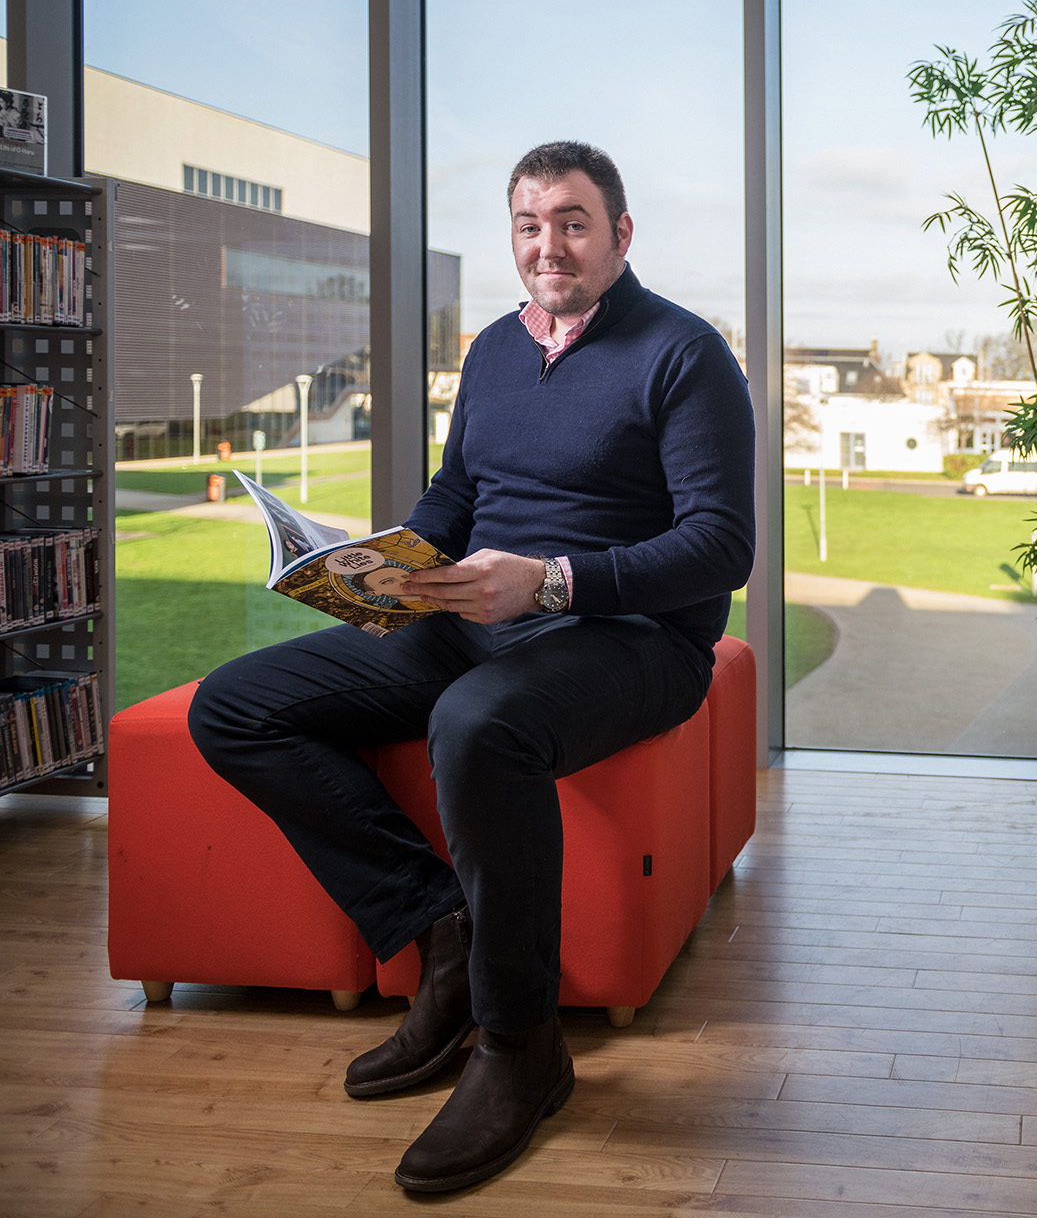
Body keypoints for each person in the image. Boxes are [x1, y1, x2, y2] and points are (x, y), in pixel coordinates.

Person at [187, 140, 756, 1193]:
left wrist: (546, 581)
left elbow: (722, 548)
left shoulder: (684, 353)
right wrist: (384, 569)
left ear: (621, 235)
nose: (550, 245)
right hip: (470, 613)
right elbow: (457, 497)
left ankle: (521, 1044)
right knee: (236, 705)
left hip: (632, 640)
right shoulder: (496, 349)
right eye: (530, 224)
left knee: (478, 723)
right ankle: (435, 927)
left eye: (574, 223)